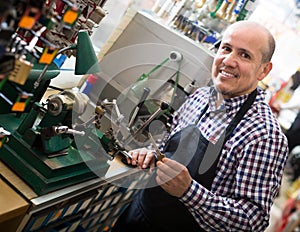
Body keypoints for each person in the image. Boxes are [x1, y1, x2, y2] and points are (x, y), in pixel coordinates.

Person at [112, 20, 289, 231]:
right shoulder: (200, 96)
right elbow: (167, 142)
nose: (229, 61)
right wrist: (151, 154)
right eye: (226, 48)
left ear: (263, 71)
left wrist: (189, 192)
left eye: (245, 55)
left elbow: (252, 221)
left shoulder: (265, 136)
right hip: (138, 217)